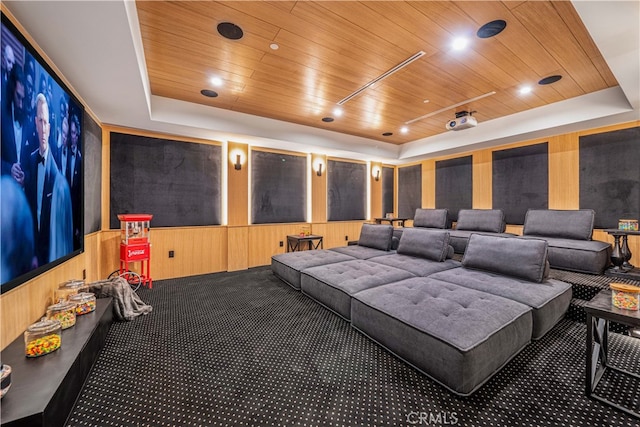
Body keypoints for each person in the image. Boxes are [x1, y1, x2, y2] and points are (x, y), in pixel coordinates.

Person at [23, 93, 71, 266]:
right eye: (40, 122)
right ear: (36, 123)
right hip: (32, 254)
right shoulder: (29, 160)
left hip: (52, 255)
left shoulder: (58, 171)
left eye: (46, 123)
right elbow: (29, 210)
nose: (43, 128)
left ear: (50, 128)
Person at [1, 65, 34, 186]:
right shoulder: (1, 115)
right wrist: (9, 169)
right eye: (18, 97)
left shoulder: (29, 125)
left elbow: (32, 169)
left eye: (23, 99)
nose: (20, 104)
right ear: (11, 91)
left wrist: (25, 177)